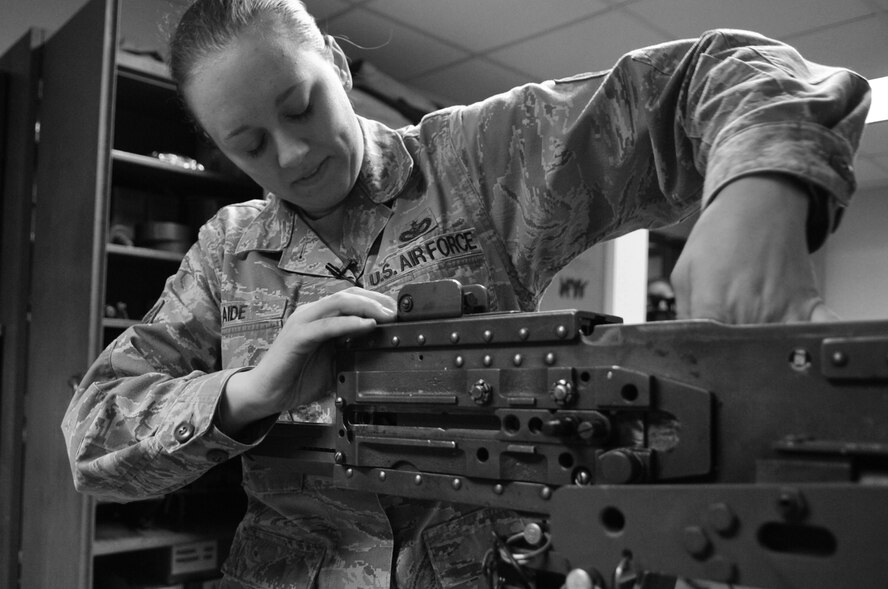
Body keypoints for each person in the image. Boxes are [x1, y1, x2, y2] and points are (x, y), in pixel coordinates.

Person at [62, 0, 871, 587]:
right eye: (251, 143)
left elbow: (727, 70)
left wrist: (759, 185)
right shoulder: (226, 250)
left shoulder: (478, 162)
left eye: (301, 105)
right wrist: (248, 392)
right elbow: (93, 442)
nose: (296, 151)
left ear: (338, 67)